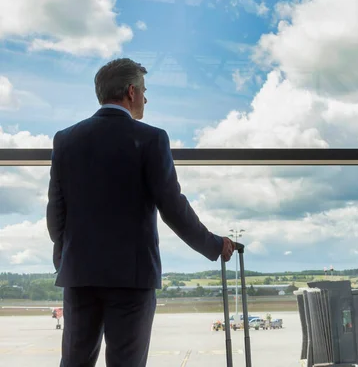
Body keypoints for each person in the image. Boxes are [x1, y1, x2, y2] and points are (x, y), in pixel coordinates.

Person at [46, 58, 235, 366]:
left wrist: (66, 257)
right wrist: (214, 244)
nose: (145, 99)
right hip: (131, 279)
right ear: (131, 92)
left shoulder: (66, 139)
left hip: (79, 274)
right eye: (144, 91)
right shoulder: (151, 139)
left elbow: (56, 212)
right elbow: (173, 208)